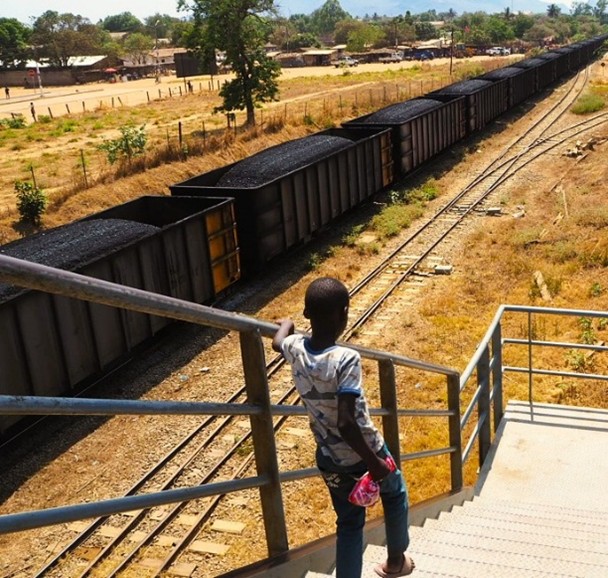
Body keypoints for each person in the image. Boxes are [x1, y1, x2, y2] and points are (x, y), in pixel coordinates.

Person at [272, 277, 415, 578]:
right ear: (344, 313)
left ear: (307, 314)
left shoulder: (296, 347)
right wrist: (375, 463)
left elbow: (277, 341)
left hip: (330, 459)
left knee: (349, 524)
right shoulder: (346, 358)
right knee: (395, 493)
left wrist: (286, 323)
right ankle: (395, 562)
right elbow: (347, 423)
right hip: (366, 452)